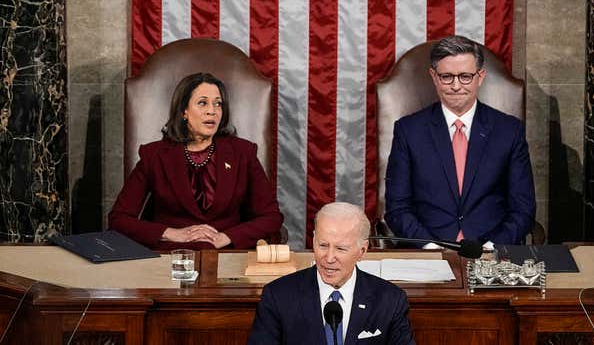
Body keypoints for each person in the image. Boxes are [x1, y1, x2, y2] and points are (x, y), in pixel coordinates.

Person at [385, 35, 536, 246]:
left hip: (491, 251)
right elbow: (397, 208)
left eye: (465, 76)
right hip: (427, 251)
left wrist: (493, 246)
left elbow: (523, 209)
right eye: (447, 76)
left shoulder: (509, 131)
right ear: (434, 77)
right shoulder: (409, 130)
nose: (456, 86)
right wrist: (428, 246)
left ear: (480, 77)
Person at [108, 72, 283, 250]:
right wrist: (172, 233)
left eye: (218, 104)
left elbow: (271, 217)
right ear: (184, 111)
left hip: (227, 254)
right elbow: (119, 219)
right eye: (202, 103)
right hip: (172, 256)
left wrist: (226, 237)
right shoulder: (155, 155)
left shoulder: (243, 152)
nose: (212, 111)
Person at [247, 202, 415, 345]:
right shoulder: (277, 296)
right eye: (323, 245)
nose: (328, 258)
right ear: (313, 240)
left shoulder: (389, 300)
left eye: (341, 248)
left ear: (362, 251)